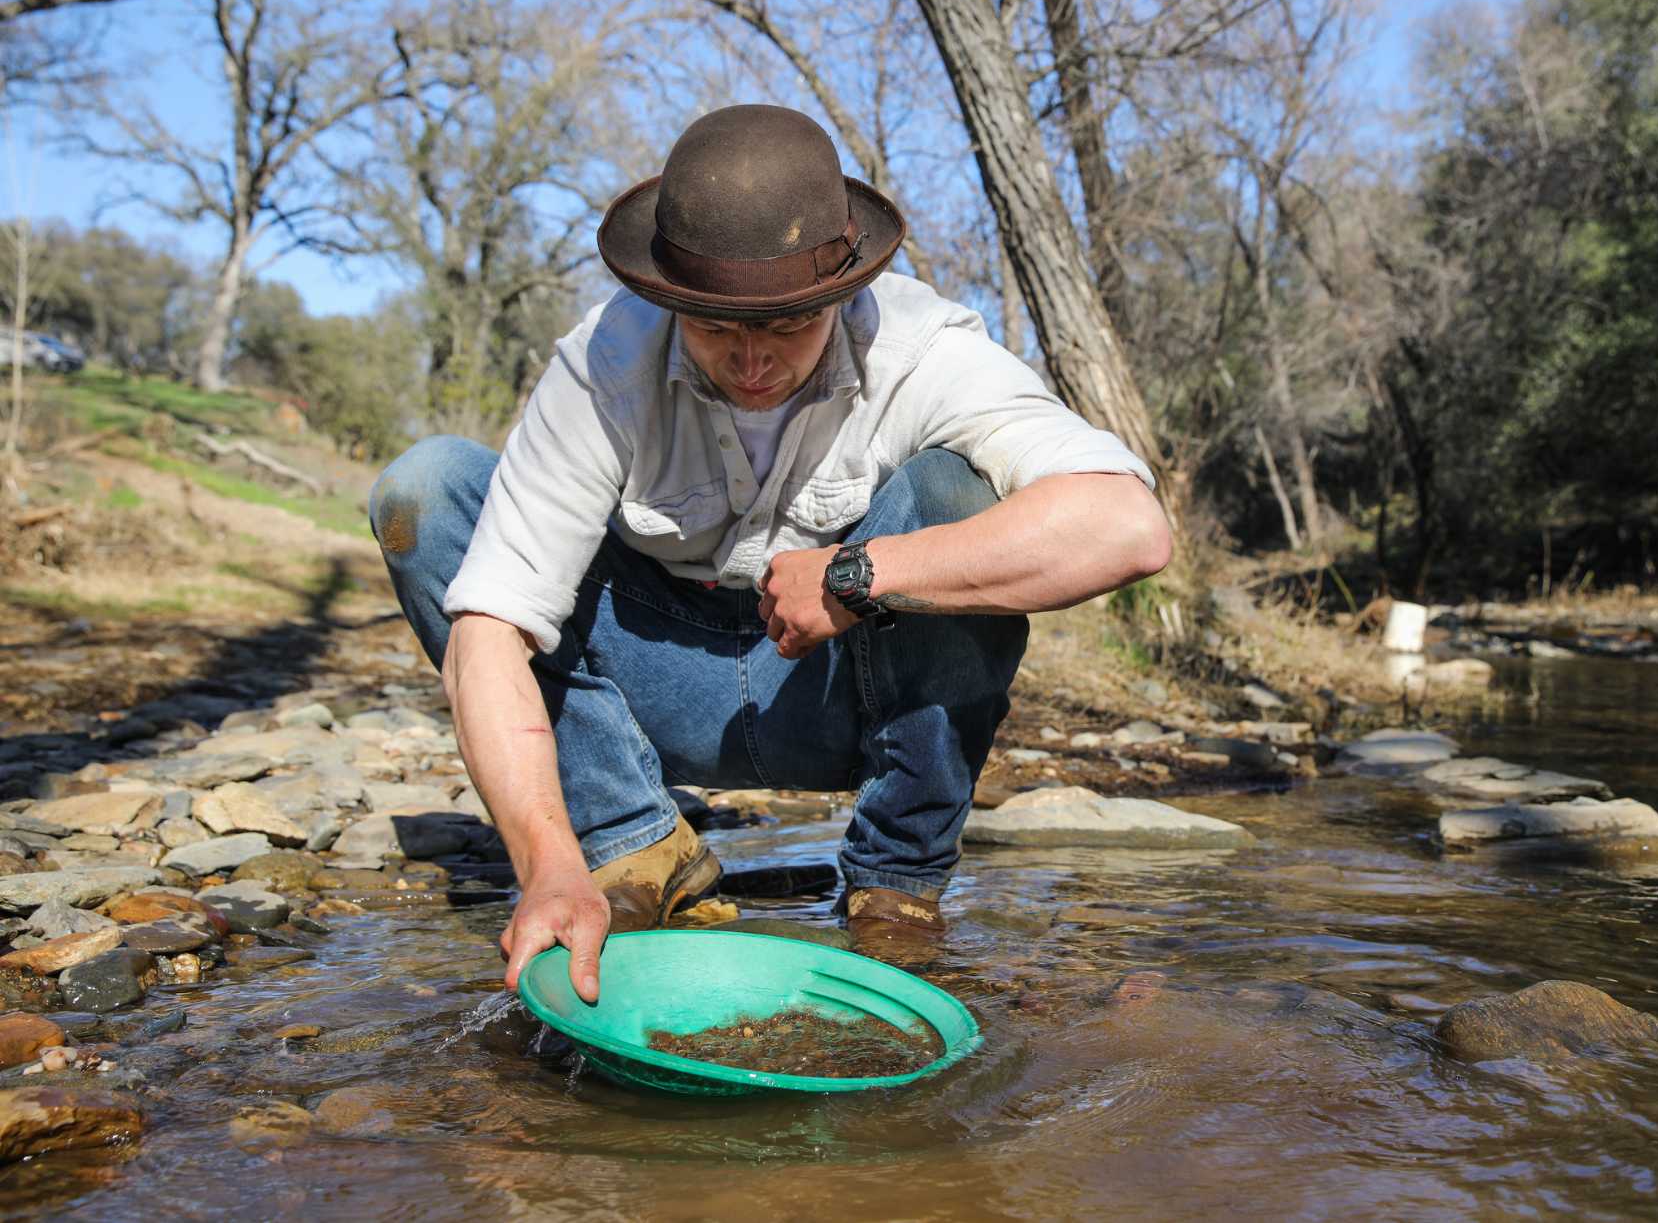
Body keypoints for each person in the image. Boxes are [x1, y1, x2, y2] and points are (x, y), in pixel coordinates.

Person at [370, 104, 1171, 1001]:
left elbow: (1130, 526)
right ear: (670, 299)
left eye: (787, 326)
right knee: (427, 490)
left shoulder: (924, 350)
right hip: (660, 683)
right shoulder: (605, 362)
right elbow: (488, 634)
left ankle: (894, 894)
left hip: (837, 692)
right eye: (719, 329)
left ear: (843, 293)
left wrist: (860, 575)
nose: (753, 362)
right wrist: (547, 862)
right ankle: (634, 851)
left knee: (958, 495)